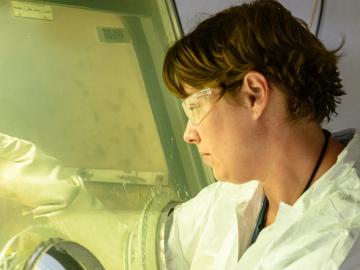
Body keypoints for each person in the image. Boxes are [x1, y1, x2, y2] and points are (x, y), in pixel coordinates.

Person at [162, 0, 360, 269]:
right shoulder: (242, 192)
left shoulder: (342, 246)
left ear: (253, 94)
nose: (189, 134)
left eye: (195, 107)